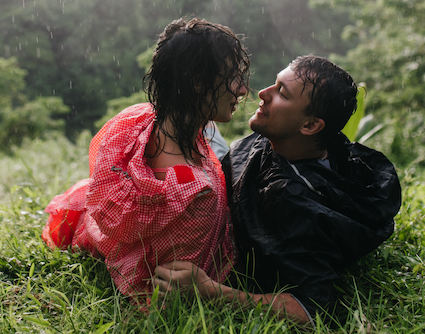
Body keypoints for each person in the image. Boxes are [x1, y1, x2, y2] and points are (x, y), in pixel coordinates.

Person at [153, 55, 401, 325]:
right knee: (178, 119)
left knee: (165, 132)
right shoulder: (296, 141)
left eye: (282, 92)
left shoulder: (296, 206)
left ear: (309, 125)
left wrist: (210, 291)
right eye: (275, 83)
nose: (262, 93)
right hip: (227, 163)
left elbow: (312, 310)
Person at [42, 17, 251, 300]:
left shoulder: (135, 121)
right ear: (199, 83)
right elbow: (170, 290)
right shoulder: (195, 192)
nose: (242, 89)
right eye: (233, 78)